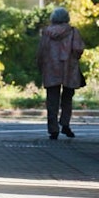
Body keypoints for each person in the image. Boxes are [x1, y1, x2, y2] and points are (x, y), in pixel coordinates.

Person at [37, 7, 85, 140]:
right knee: (67, 98)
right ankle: (65, 123)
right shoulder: (73, 32)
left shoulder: (46, 33)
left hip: (51, 68)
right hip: (69, 68)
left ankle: (53, 129)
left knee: (52, 99)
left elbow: (41, 51)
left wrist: (41, 65)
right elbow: (78, 49)